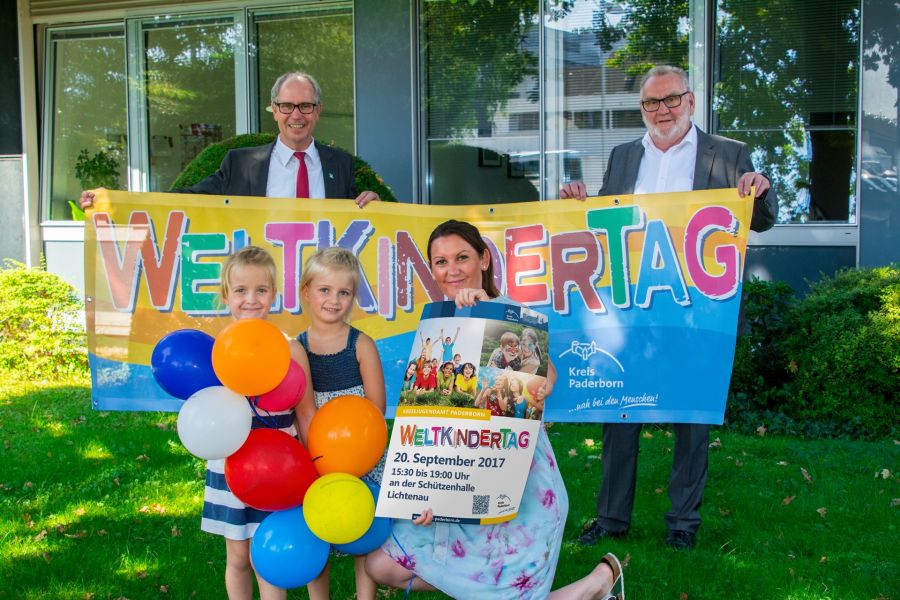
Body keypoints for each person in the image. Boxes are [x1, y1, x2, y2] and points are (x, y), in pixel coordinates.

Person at [560, 64, 778, 551]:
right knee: (620, 416)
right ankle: (611, 518)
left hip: (698, 311)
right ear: (642, 108)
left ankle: (683, 523)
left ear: (690, 101)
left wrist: (760, 188)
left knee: (692, 420)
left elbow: (760, 220)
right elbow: (604, 225)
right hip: (632, 310)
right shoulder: (622, 155)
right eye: (651, 102)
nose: (662, 110)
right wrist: (577, 204)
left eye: (671, 99)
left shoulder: (728, 153)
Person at [365, 219, 624, 600]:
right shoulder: (437, 323)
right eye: (440, 262)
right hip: (453, 474)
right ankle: (596, 585)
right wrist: (421, 487)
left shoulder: (507, 312)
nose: (452, 270)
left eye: (462, 257)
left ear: (484, 259)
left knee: (506, 591)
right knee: (381, 565)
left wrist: (488, 313)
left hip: (518, 485)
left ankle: (595, 583)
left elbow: (547, 381)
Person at [80, 72, 380, 209]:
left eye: (305, 106)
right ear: (274, 110)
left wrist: (377, 208)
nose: (296, 115)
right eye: (287, 106)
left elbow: (357, 216)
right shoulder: (241, 164)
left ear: (318, 110)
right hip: (263, 291)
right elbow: (185, 199)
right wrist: (114, 200)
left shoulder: (340, 164)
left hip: (320, 289)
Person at [201, 245, 316, 600]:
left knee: (267, 555)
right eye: (241, 290)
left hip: (279, 468)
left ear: (274, 294)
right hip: (231, 467)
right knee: (237, 557)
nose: (251, 299)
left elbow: (306, 412)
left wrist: (315, 464)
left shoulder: (290, 349)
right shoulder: (218, 352)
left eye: (261, 290)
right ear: (226, 296)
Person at [295, 247, 386, 600]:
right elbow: (305, 411)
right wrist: (318, 458)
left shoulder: (361, 344)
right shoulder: (298, 348)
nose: (334, 300)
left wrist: (357, 452)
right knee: (319, 526)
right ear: (307, 292)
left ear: (353, 298)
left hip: (362, 450)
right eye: (325, 290)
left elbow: (376, 408)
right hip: (317, 450)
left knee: (363, 525)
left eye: (344, 292)